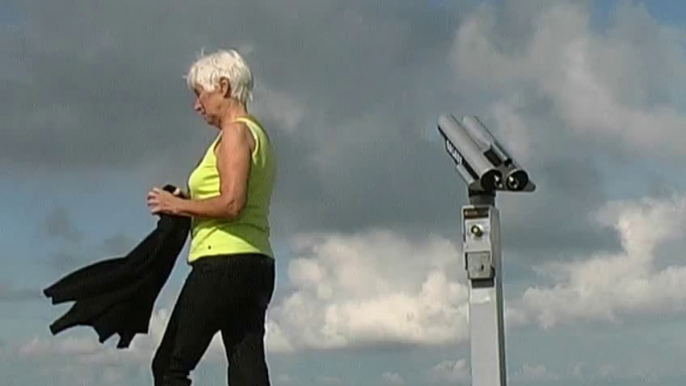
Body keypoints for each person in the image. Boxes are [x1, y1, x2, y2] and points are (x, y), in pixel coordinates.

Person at [146, 48, 276, 386]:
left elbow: (233, 203)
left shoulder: (234, 134)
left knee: (169, 367)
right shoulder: (259, 136)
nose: (197, 105)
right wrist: (189, 199)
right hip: (257, 265)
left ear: (223, 86)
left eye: (200, 94)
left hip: (221, 263)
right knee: (247, 369)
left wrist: (177, 206)